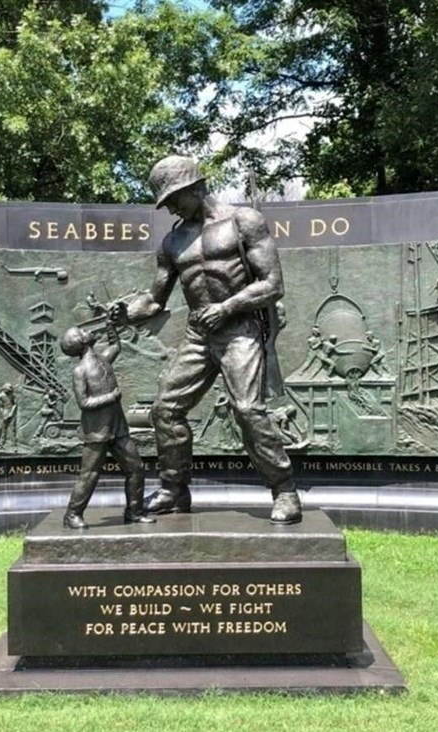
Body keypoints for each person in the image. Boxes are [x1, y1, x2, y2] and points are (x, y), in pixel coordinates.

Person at [119, 154, 300, 524]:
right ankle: (174, 490)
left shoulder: (243, 221)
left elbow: (272, 285)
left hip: (240, 330)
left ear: (194, 188)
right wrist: (128, 313)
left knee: (248, 410)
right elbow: (155, 300)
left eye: (172, 198)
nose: (169, 207)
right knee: (165, 410)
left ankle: (284, 490)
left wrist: (229, 307)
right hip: (199, 334)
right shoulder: (173, 241)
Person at [60, 319, 155, 529]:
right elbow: (84, 402)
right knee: (89, 474)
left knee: (136, 468)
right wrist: (111, 397)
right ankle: (72, 514)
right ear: (80, 342)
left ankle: (134, 512)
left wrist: (111, 325)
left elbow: (116, 345)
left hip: (117, 427)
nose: (87, 330)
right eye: (82, 330)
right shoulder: (80, 371)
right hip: (96, 432)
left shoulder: (103, 359)